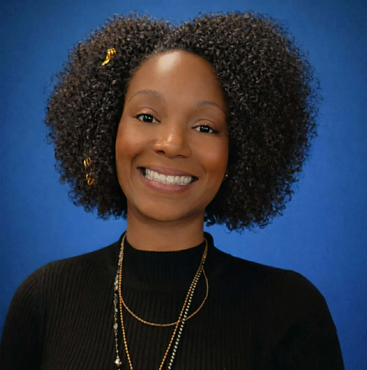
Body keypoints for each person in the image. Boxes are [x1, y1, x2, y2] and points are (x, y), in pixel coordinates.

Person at [0, 12, 344, 369]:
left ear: (238, 153)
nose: (171, 144)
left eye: (205, 127)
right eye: (147, 117)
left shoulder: (288, 311)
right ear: (107, 132)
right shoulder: (43, 299)